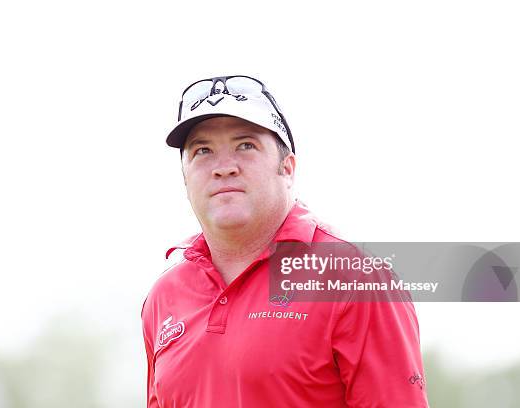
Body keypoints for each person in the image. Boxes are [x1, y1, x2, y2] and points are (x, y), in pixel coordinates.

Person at [141, 75, 429, 407]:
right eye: (202, 151)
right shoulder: (165, 296)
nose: (223, 167)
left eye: (245, 145)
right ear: (185, 178)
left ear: (287, 168)